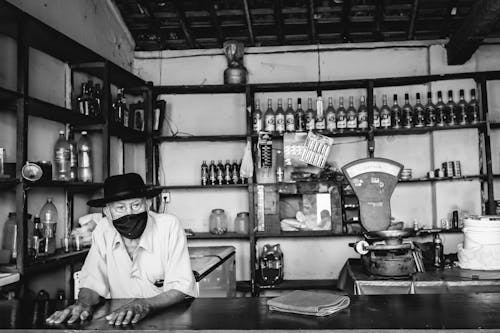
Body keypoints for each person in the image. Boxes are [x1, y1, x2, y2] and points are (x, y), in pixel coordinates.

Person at [46, 173, 197, 326]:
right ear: (107, 212)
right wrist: (83, 304)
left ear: (148, 204)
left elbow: (181, 287)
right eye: (120, 208)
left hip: (168, 320)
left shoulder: (168, 226)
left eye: (136, 205)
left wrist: (144, 305)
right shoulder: (103, 230)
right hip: (123, 322)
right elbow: (92, 281)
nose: (129, 213)